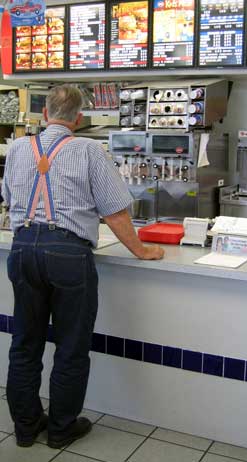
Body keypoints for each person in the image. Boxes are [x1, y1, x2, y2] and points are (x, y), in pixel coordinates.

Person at [2, 84, 164, 449]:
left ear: (44, 115)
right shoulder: (90, 149)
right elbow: (116, 212)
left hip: (23, 249)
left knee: (24, 344)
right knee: (71, 345)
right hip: (68, 255)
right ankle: (60, 428)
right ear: (79, 118)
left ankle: (26, 428)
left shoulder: (17, 149)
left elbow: (9, 200)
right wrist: (141, 251)